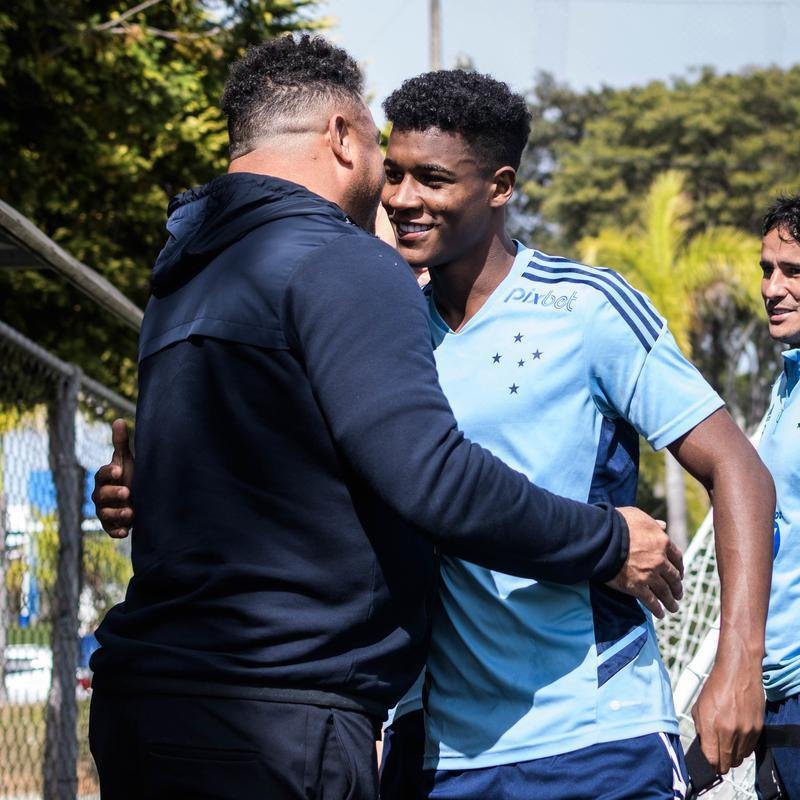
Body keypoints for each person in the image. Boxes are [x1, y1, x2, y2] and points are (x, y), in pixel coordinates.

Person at [87, 36, 680, 800]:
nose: (394, 192)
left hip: (145, 709)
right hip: (276, 723)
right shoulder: (341, 258)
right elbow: (433, 478)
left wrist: (150, 487)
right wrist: (606, 541)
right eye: (380, 150)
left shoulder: (183, 274)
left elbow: (263, 464)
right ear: (340, 136)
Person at [375, 70, 774, 800]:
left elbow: (738, 469)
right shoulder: (379, 328)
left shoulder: (584, 309)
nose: (403, 198)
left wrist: (738, 660)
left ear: (498, 186)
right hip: (433, 746)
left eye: (432, 179)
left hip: (595, 734)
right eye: (393, 173)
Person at [755, 196, 800, 798]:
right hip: (777, 688)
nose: (772, 287)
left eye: (794, 272)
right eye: (766, 269)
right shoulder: (787, 382)